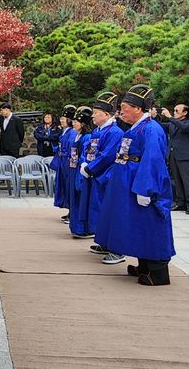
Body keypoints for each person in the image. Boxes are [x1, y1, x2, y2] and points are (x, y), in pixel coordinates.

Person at [95, 85, 175, 286]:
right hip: (128, 182)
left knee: (149, 224)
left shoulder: (151, 129)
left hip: (142, 184)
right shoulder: (136, 127)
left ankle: (158, 273)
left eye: (124, 107)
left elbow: (152, 160)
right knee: (136, 224)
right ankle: (143, 265)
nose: (120, 111)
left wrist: (146, 189)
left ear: (138, 108)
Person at [81, 92, 125, 263]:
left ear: (106, 114)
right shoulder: (98, 131)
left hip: (106, 176)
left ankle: (117, 248)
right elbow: (90, 152)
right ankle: (104, 242)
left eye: (96, 113)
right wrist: (85, 164)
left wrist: (90, 169)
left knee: (109, 212)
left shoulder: (115, 132)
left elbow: (107, 156)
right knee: (99, 211)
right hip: (96, 174)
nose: (93, 115)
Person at [160, 104, 189, 214]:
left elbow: (184, 127)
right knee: (177, 180)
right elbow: (161, 126)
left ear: (185, 113)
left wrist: (169, 117)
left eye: (177, 111)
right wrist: (154, 117)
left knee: (188, 181)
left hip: (185, 156)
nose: (174, 112)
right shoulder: (173, 123)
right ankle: (181, 202)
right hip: (173, 155)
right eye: (174, 110)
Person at [68, 106, 94, 239]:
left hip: (80, 169)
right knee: (75, 199)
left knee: (82, 199)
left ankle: (83, 228)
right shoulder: (76, 135)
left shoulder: (87, 137)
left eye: (76, 121)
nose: (74, 123)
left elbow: (86, 154)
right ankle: (75, 226)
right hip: (73, 167)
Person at [50, 105, 76, 223]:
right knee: (64, 185)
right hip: (62, 160)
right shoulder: (65, 131)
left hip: (67, 160)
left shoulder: (72, 132)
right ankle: (69, 210)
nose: (61, 120)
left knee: (69, 185)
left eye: (64, 118)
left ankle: (72, 212)